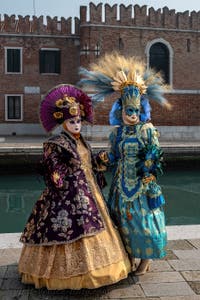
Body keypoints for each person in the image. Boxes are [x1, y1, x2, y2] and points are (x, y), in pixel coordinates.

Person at [18, 84, 131, 290]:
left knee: (98, 225)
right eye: (72, 121)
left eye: (79, 121)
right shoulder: (56, 143)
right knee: (67, 229)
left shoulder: (82, 142)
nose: (77, 125)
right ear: (63, 123)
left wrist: (100, 159)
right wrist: (58, 176)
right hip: (67, 195)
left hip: (90, 192)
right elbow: (53, 166)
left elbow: (88, 163)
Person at [78, 53, 170, 275]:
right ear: (121, 111)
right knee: (120, 219)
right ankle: (128, 257)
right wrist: (99, 161)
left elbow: (155, 154)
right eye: (129, 111)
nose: (133, 115)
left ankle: (145, 262)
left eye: (136, 111)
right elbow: (114, 156)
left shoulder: (148, 130)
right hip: (121, 185)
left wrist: (149, 172)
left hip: (141, 184)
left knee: (143, 221)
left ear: (141, 110)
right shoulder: (117, 134)